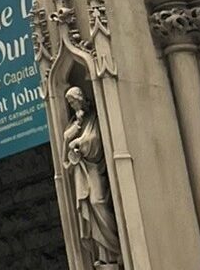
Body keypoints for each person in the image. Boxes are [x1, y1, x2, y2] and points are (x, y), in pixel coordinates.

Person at [62, 86, 122, 265]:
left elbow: (95, 140)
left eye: (73, 101)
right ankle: (104, 255)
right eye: (69, 103)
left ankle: (115, 248)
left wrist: (79, 142)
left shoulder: (93, 117)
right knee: (89, 206)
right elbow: (65, 141)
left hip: (94, 168)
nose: (72, 105)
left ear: (80, 98)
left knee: (98, 202)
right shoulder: (75, 122)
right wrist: (75, 129)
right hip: (81, 172)